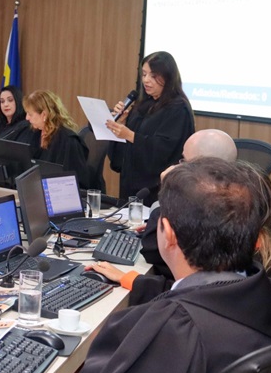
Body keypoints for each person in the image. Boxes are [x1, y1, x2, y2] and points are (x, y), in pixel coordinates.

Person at [78, 158, 271, 373]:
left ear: (168, 234)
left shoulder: (174, 331)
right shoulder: (268, 294)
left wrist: (104, 338)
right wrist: (136, 283)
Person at [89, 129, 242, 303]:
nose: (178, 166)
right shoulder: (239, 203)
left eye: (184, 161)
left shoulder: (206, 207)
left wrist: (170, 192)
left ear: (202, 167)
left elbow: (152, 248)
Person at [106, 51, 195, 206]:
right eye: (144, 74)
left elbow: (165, 149)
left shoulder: (178, 108)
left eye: (153, 76)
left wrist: (130, 135)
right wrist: (123, 123)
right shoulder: (143, 104)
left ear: (168, 77)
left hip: (156, 190)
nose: (146, 80)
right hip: (131, 186)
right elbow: (124, 153)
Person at [22, 90, 88, 186]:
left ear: (44, 115)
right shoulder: (34, 133)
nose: (27, 118)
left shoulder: (68, 141)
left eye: (30, 114)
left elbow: (75, 181)